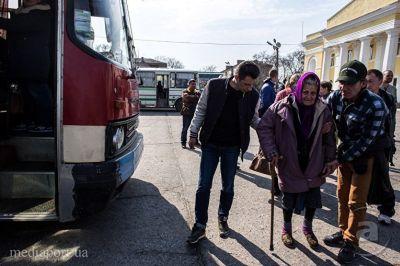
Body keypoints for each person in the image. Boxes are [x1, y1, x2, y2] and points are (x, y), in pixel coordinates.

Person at [257, 72, 337, 249]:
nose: (308, 96)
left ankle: (307, 229)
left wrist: (331, 159)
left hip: (314, 161)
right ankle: (286, 230)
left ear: (318, 93)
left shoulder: (323, 110)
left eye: (313, 93)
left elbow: (330, 138)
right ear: (298, 89)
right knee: (288, 200)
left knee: (313, 200)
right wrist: (271, 151)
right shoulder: (280, 107)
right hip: (288, 160)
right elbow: (264, 127)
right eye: (305, 92)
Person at [186, 61, 260, 244]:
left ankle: (223, 217)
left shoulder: (253, 95)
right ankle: (200, 225)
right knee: (204, 186)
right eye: (247, 84)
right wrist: (193, 132)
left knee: (228, 187)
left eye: (252, 84)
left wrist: (273, 128)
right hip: (210, 143)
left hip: (232, 147)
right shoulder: (214, 86)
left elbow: (254, 119)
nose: (250, 88)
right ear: (236, 78)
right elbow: (201, 110)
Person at [323, 60, 388, 264]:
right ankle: (343, 232)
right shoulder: (336, 96)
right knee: (341, 195)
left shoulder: (376, 105)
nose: (345, 87)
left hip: (366, 155)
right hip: (344, 154)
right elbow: (320, 113)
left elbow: (365, 142)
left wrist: (336, 159)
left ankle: (352, 241)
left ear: (363, 83)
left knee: (356, 201)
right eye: (342, 82)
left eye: (351, 83)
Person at [0, 0, 52, 133]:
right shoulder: (23, 12)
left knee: (39, 93)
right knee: (25, 95)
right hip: (22, 62)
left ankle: (45, 123)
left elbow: (18, 26)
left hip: (35, 62)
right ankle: (28, 121)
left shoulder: (41, 12)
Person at [365, 69, 396, 225]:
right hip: (363, 145)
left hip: (381, 144)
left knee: (383, 178)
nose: (368, 84)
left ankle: (386, 210)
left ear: (379, 82)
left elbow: (391, 122)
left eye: (371, 81)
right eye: (366, 81)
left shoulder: (387, 98)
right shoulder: (361, 97)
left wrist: (390, 142)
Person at [180, 79, 200, 149]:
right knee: (185, 128)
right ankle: (183, 142)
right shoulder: (184, 91)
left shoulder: (197, 92)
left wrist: (191, 97)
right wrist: (194, 98)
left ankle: (195, 142)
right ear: (189, 84)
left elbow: (199, 99)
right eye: (192, 84)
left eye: (195, 84)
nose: (194, 85)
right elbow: (185, 99)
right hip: (187, 113)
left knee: (195, 128)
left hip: (195, 112)